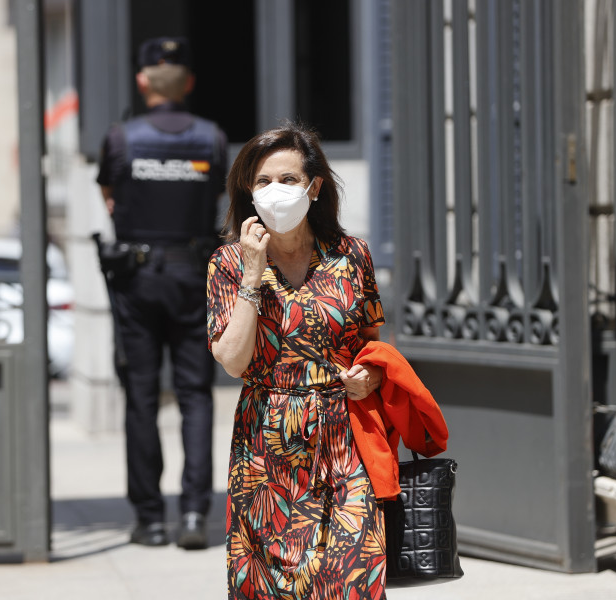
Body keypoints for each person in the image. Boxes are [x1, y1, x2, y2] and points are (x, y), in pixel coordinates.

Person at [206, 122, 402, 598]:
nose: (276, 191)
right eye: (263, 182)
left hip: (344, 436)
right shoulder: (228, 264)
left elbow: (370, 340)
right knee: (274, 586)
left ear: (313, 188)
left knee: (354, 575)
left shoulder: (352, 256)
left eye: (288, 180)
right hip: (267, 443)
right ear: (248, 192)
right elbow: (232, 361)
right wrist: (253, 272)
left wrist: (371, 374)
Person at [96, 36, 227, 550]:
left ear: (142, 81)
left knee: (141, 398)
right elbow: (215, 195)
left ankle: (150, 519)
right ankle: (195, 514)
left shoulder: (121, 139)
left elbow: (110, 196)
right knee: (196, 396)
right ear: (189, 82)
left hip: (138, 281)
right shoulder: (211, 139)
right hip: (194, 278)